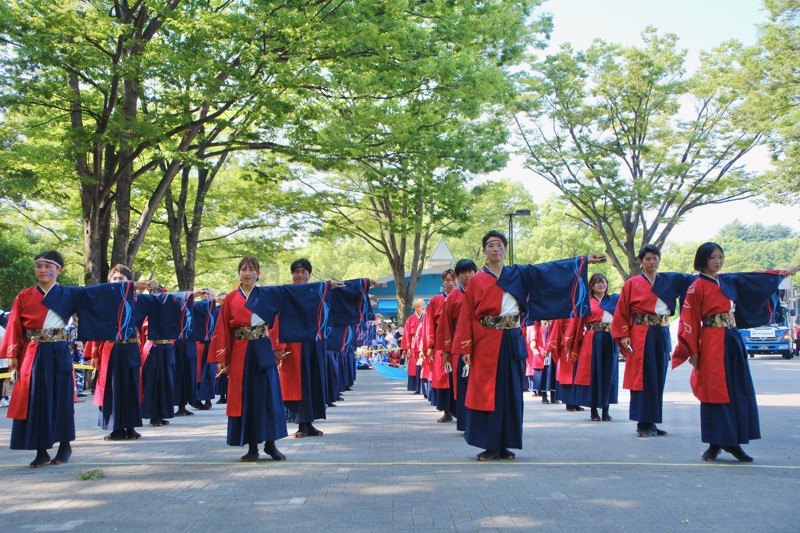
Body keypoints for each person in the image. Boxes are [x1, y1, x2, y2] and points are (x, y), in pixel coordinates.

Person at [451, 230, 604, 461]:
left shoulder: (517, 274)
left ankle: (506, 444)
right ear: (484, 251)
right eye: (491, 245)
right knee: (486, 393)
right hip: (485, 342)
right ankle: (490, 445)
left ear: (505, 249)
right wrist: (466, 348)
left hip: (512, 337)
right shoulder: (476, 281)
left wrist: (581, 262)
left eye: (500, 244)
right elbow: (467, 315)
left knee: (510, 392)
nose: (496, 249)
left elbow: (548, 270)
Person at [0, 251, 154, 467]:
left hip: (58, 351)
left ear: (59, 270)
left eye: (47, 266)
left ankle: (64, 445)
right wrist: (12, 355)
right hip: (32, 353)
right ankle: (40, 449)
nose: (42, 270)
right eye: (39, 266)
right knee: (35, 400)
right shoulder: (24, 296)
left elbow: (99, 293)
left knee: (61, 398)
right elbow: (15, 325)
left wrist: (130, 286)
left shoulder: (69, 294)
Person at [673, 243, 799, 462]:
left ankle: (734, 441)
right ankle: (715, 443)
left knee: (737, 389)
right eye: (713, 257)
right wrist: (692, 351)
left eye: (721, 257)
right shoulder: (696, 287)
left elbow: (753, 279)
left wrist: (782, 273)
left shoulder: (727, 281)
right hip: (711, 341)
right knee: (714, 391)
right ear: (703, 259)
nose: (718, 261)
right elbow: (689, 321)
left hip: (732, 339)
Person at [611, 245, 695, 438]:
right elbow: (622, 310)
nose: (652, 262)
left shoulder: (667, 280)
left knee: (658, 376)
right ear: (640, 261)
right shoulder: (632, 283)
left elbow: (696, 281)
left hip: (662, 330)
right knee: (643, 376)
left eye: (655, 258)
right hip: (641, 332)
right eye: (648, 258)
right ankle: (642, 423)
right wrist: (624, 334)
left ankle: (653, 421)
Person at [85, 264, 158, 441]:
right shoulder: (103, 301)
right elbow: (96, 327)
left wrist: (154, 287)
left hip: (131, 347)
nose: (117, 282)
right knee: (113, 388)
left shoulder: (139, 300)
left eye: (121, 279)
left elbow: (162, 301)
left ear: (129, 281)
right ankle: (116, 428)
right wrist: (94, 353)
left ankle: (131, 427)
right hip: (110, 349)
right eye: (114, 279)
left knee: (132, 387)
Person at [566, 273, 620, 421]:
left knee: (609, 374)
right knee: (594, 374)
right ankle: (594, 410)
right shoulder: (586, 302)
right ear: (591, 286)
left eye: (604, 282)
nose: (601, 285)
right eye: (598, 283)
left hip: (610, 338)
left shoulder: (614, 300)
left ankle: (606, 409)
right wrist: (569, 341)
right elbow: (576, 322)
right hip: (593, 339)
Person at [439, 259, 478, 431]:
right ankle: (465, 423)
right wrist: (446, 350)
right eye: (463, 272)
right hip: (460, 349)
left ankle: (480, 422)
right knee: (463, 386)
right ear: (458, 276)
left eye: (470, 271)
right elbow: (446, 325)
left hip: (481, 346)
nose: (467, 275)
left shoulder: (482, 292)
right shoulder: (452, 298)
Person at [424, 269, 456, 422]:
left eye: (453, 280)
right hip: (441, 344)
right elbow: (429, 323)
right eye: (447, 280)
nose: (450, 283)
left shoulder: (464, 297)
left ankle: (460, 410)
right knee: (444, 377)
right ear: (443, 282)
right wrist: (430, 345)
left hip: (459, 342)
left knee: (458, 377)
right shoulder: (435, 300)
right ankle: (446, 411)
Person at [402, 299, 424, 394]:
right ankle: (416, 387)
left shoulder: (426, 317)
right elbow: (406, 334)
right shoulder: (410, 319)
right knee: (414, 366)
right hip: (414, 343)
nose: (419, 308)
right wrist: (407, 348)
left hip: (424, 342)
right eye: (417, 306)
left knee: (424, 365)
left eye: (420, 306)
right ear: (414, 307)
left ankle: (424, 387)